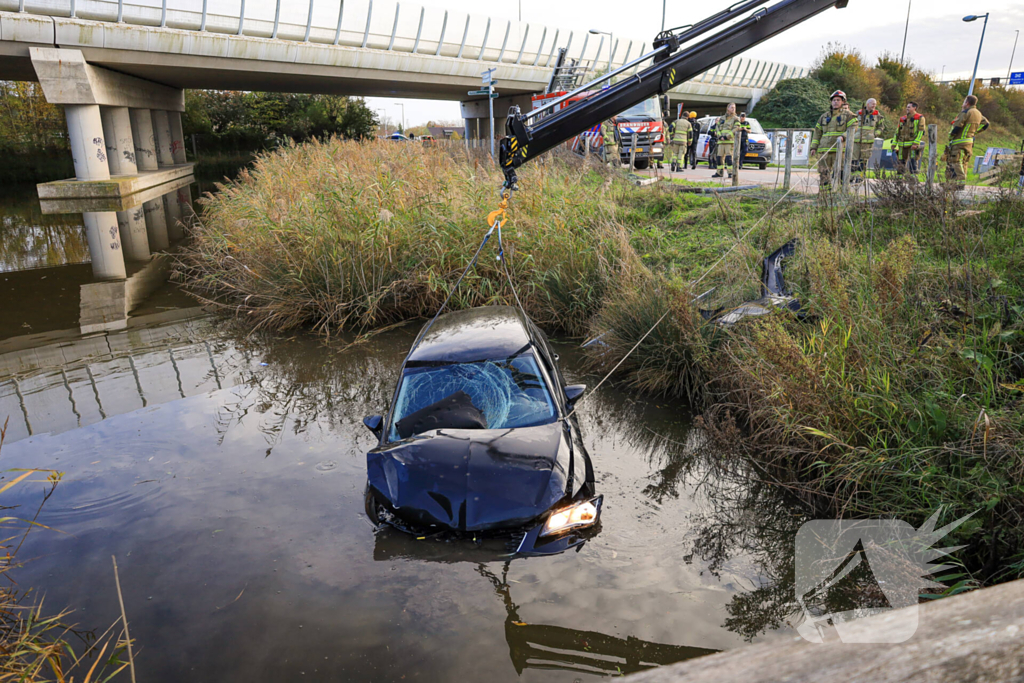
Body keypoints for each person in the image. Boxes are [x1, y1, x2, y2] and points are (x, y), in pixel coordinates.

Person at [808, 90, 857, 192]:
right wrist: (813, 147)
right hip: (824, 151)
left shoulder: (849, 115)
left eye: (838, 100)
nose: (835, 102)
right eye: (834, 100)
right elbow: (817, 132)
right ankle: (824, 195)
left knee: (840, 172)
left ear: (843, 101)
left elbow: (853, 128)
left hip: (840, 150)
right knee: (823, 173)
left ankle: (839, 193)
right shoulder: (824, 116)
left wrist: (843, 137)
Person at [945, 94, 990, 183]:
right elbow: (986, 124)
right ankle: (956, 183)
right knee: (964, 162)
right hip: (969, 141)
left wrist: (950, 136)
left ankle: (960, 181)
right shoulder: (978, 113)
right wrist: (974, 132)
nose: (962, 104)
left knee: (956, 161)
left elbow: (957, 126)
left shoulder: (966, 112)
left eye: (964, 102)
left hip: (959, 141)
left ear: (967, 103)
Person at [853, 97, 886, 179]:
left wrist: (876, 134)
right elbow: (852, 125)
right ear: (867, 104)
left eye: (875, 104)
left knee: (864, 160)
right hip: (857, 140)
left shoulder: (877, 115)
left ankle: (860, 177)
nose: (874, 105)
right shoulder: (858, 113)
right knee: (854, 159)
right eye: (873, 104)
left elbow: (881, 127)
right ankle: (851, 177)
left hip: (868, 142)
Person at [892, 102, 926, 175]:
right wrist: (894, 143)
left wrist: (916, 143)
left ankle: (913, 181)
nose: (907, 108)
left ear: (914, 108)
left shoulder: (920, 118)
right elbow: (897, 132)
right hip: (901, 145)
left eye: (909, 107)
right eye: (907, 107)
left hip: (912, 146)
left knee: (913, 163)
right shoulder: (902, 119)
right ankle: (899, 180)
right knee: (900, 163)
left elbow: (921, 132)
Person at [712, 103, 739, 178]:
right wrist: (720, 136)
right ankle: (719, 172)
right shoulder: (722, 118)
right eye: (732, 107)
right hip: (721, 141)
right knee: (719, 158)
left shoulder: (736, 118)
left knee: (729, 158)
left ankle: (730, 173)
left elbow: (736, 128)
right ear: (728, 108)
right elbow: (717, 128)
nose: (733, 109)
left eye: (734, 108)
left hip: (729, 142)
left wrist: (727, 137)